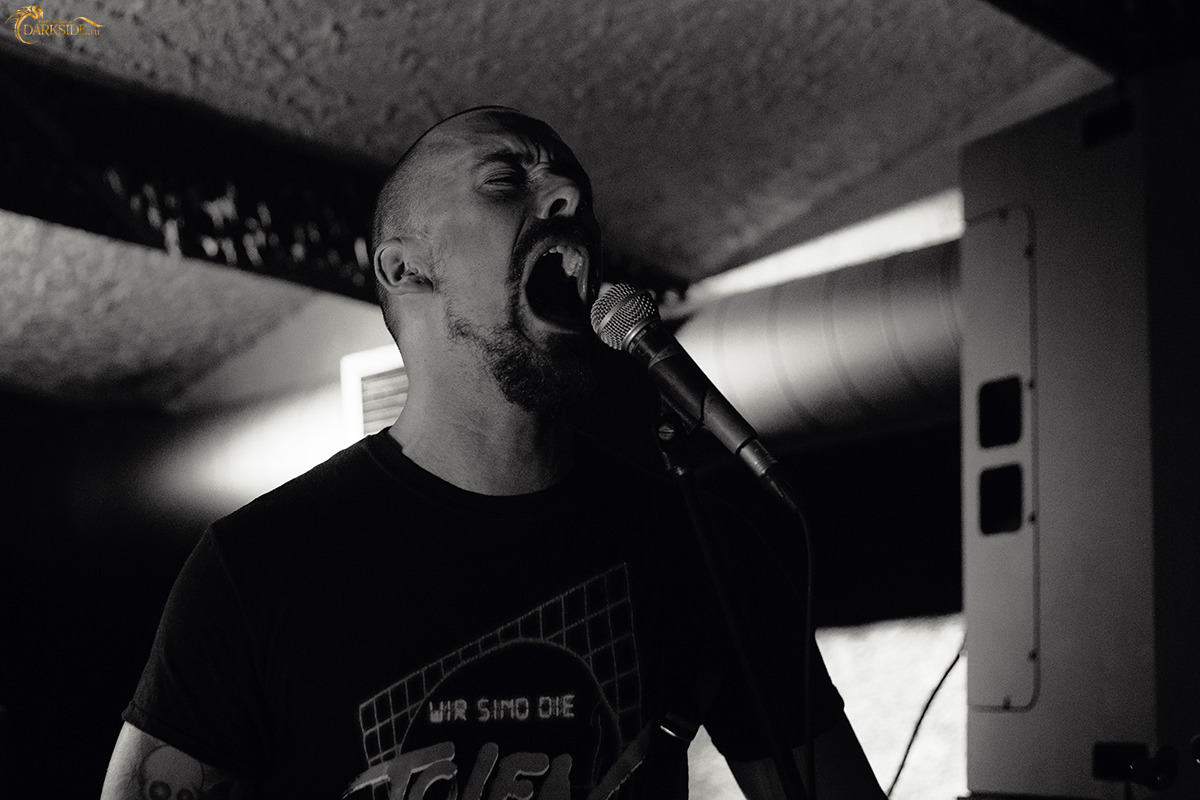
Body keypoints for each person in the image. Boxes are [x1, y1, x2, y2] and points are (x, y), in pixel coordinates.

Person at [100, 106, 885, 800]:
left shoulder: (703, 545)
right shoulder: (258, 566)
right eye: (507, 178)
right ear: (405, 266)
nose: (568, 197)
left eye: (576, 190)